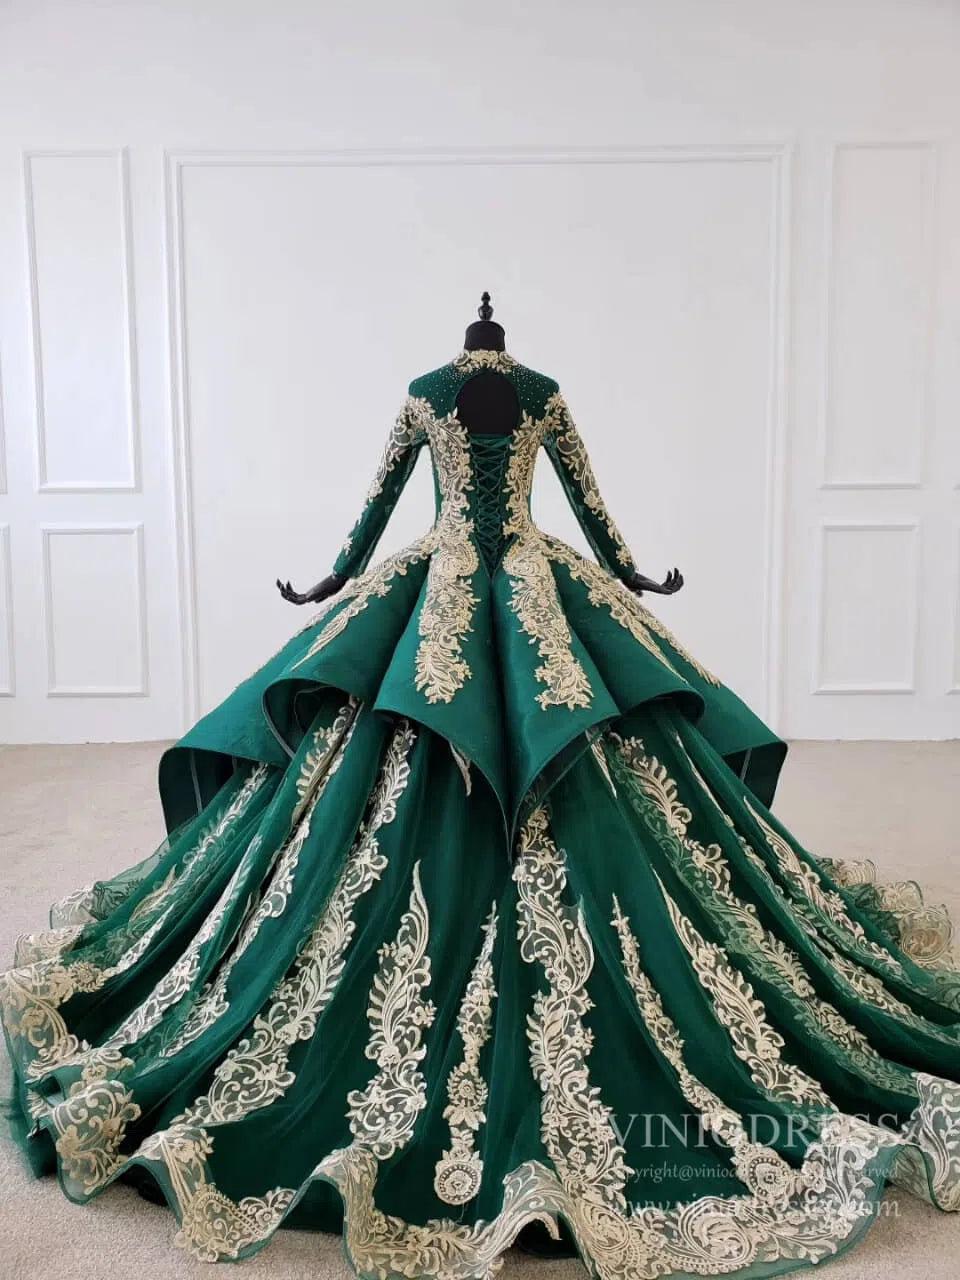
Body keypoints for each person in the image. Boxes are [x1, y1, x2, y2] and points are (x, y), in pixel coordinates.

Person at [3, 340, 959, 1279]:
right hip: (519, 575)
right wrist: (621, 570)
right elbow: (578, 505)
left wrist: (345, 573)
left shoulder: (440, 390)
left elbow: (391, 505)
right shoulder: (522, 388)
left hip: (471, 575)